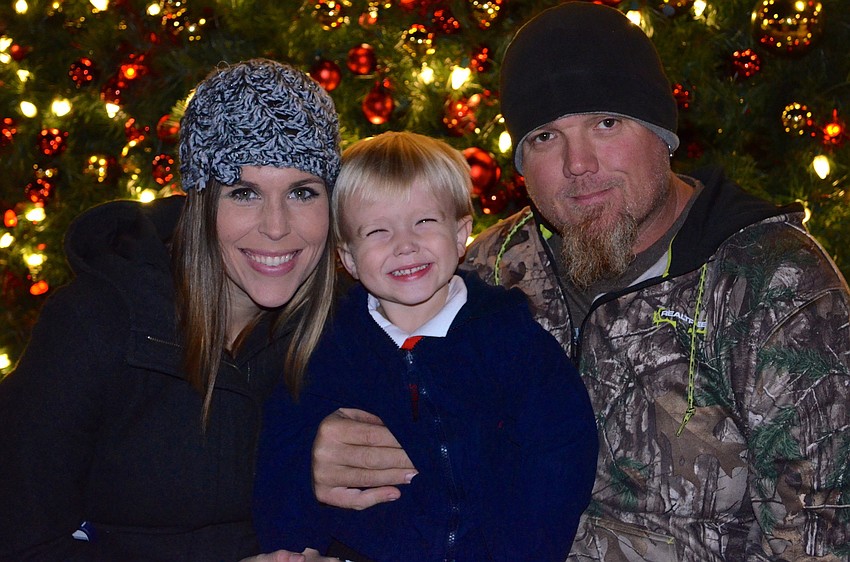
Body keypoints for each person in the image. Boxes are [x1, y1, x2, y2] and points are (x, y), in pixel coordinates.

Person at [308, 4, 850, 561]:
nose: (578, 164)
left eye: (606, 123)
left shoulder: (777, 289)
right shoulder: (483, 267)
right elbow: (359, 369)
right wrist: (322, 446)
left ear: (662, 134)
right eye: (545, 137)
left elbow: (824, 536)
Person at [0, 58, 341, 561]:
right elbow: (21, 542)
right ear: (200, 201)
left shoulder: (349, 327)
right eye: (244, 193)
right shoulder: (97, 324)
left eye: (302, 192)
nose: (276, 227)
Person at [252, 131, 598, 561]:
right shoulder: (330, 347)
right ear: (349, 258)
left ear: (461, 233)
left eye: (424, 222)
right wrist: (292, 547)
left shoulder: (509, 337)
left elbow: (562, 446)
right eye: (378, 231)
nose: (405, 245)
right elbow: (284, 454)